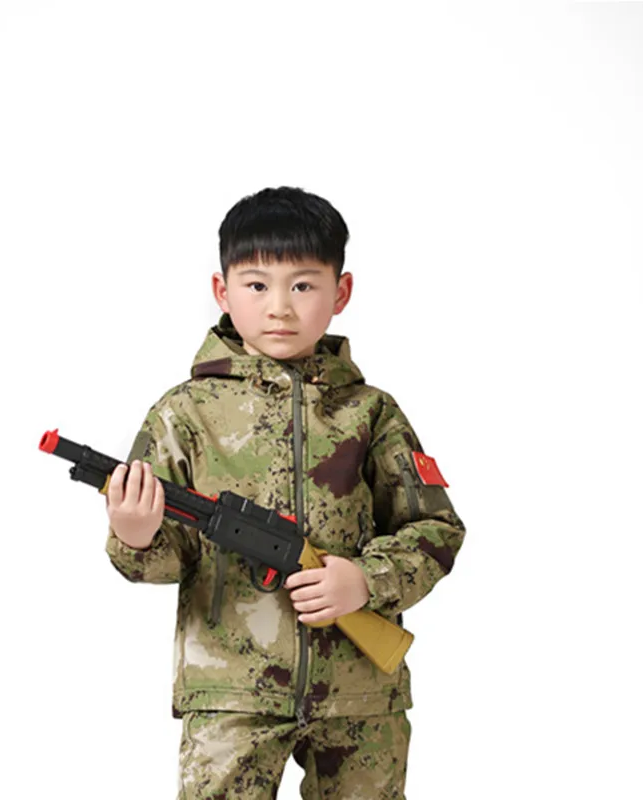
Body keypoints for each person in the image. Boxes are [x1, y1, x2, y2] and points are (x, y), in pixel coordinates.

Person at [105, 186, 466, 799]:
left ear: (340, 293)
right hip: (232, 692)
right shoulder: (184, 414)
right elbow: (164, 559)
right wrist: (136, 535)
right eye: (256, 285)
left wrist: (365, 581)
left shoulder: (371, 413)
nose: (279, 307)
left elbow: (436, 529)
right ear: (222, 291)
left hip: (360, 693)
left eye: (302, 285)